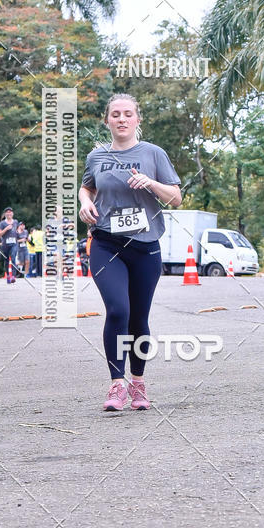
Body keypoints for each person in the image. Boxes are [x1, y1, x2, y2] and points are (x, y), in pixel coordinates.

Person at [79, 93, 182, 412]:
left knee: (138, 316)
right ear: (106, 120)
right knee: (118, 309)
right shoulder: (97, 156)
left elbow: (175, 198)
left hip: (145, 247)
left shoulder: (154, 153)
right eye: (115, 114)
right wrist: (85, 202)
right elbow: (87, 186)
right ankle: (116, 385)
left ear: (138, 120)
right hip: (106, 244)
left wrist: (150, 183)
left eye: (127, 114)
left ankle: (138, 384)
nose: (121, 119)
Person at [0, 207, 19, 282]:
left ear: (12, 214)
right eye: (7, 212)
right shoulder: (2, 223)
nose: (9, 213)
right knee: (6, 260)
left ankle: (13, 276)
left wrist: (18, 233)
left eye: (10, 212)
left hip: (14, 243)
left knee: (13, 257)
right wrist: (6, 229)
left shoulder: (16, 222)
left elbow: (17, 231)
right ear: (5, 214)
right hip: (5, 244)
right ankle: (8, 276)